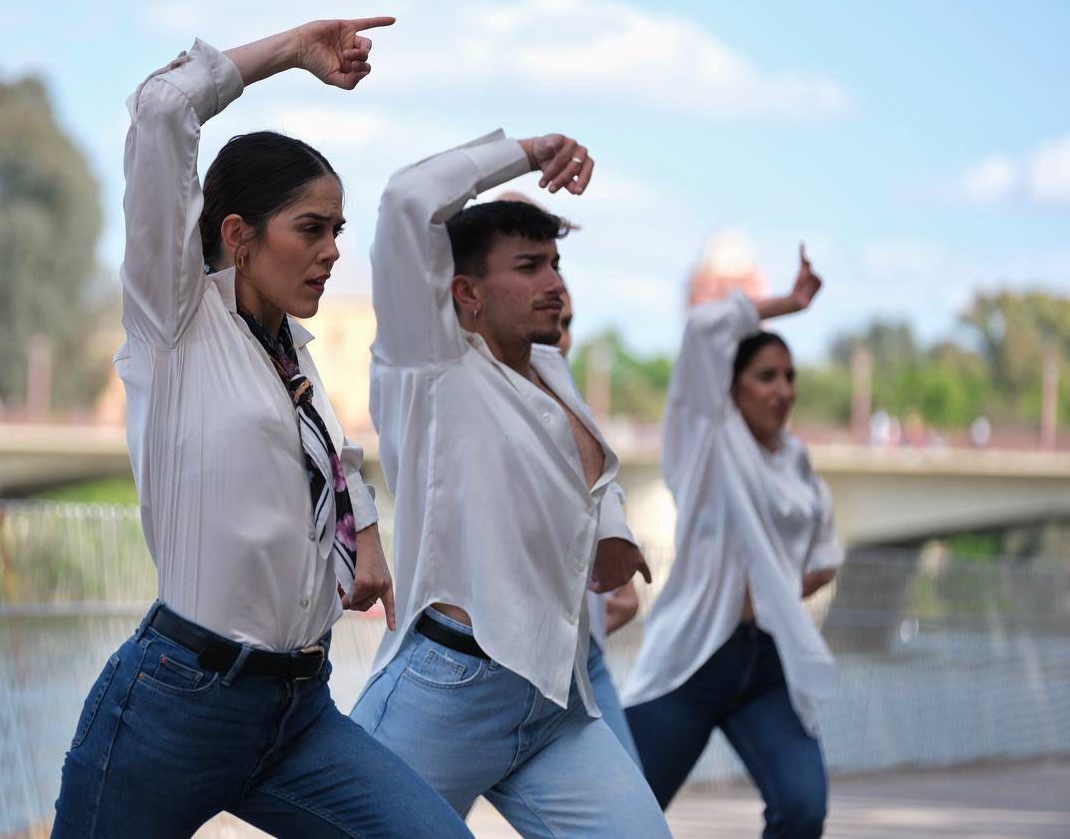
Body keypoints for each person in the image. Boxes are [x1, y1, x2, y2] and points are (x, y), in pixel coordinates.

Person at [52, 20, 470, 838]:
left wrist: (371, 538)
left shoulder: (293, 355)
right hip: (175, 707)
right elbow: (163, 108)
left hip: (296, 714)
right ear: (238, 236)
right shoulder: (174, 325)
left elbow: (335, 455)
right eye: (310, 228)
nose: (331, 251)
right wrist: (289, 53)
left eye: (338, 231)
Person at [350, 130, 671, 836]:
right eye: (529, 266)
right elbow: (407, 199)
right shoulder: (429, 363)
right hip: (447, 689)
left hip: (552, 701)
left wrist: (613, 535)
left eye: (556, 263)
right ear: (464, 292)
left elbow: (584, 473)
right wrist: (531, 152)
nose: (555, 283)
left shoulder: (549, 368)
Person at [622, 246, 843, 839]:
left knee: (802, 810)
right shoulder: (706, 441)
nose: (782, 390)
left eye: (790, 377)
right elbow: (702, 327)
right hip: (693, 657)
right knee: (621, 818)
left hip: (768, 660)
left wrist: (773, 589)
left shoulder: (799, 466)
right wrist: (791, 304)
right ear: (732, 387)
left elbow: (826, 558)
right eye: (766, 376)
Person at [555, 288, 643, 769]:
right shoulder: (459, 387)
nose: (560, 336)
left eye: (567, 322)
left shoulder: (572, 405)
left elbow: (600, 486)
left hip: (580, 662)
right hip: (475, 661)